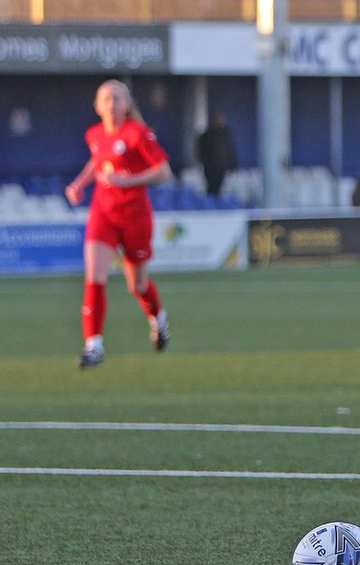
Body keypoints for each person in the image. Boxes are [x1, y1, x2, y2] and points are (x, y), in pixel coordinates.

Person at [64, 80, 172, 369]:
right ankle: (94, 346)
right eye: (106, 99)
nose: (111, 104)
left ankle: (158, 319)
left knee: (137, 285)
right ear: (97, 106)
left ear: (127, 105)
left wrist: (128, 181)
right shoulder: (95, 134)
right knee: (94, 277)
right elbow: (98, 161)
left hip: (135, 216)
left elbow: (163, 172)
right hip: (104, 213)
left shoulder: (139, 134)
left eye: (117, 99)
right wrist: (78, 184)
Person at [196, 111, 238, 197]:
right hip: (210, 168)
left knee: (222, 189)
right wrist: (205, 163)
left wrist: (233, 164)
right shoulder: (206, 135)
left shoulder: (226, 135)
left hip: (223, 167)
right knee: (211, 188)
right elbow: (201, 152)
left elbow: (230, 150)